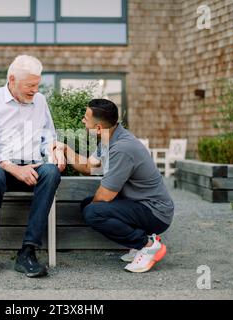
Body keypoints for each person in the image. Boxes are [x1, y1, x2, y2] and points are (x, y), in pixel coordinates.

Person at [0, 55, 65, 278]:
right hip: (1, 167)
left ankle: (28, 251)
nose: (35, 90)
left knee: (51, 172)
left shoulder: (40, 101)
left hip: (32, 168)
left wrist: (55, 151)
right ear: (12, 80)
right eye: (30, 85)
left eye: (37, 85)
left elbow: (48, 136)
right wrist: (14, 168)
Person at [58, 99, 174, 273]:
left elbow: (105, 196)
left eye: (85, 118)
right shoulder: (109, 137)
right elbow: (89, 167)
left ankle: (147, 245)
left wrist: (93, 209)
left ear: (98, 127)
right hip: (139, 203)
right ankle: (140, 242)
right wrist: (66, 149)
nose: (82, 120)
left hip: (155, 212)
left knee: (93, 212)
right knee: (87, 205)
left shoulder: (122, 148)